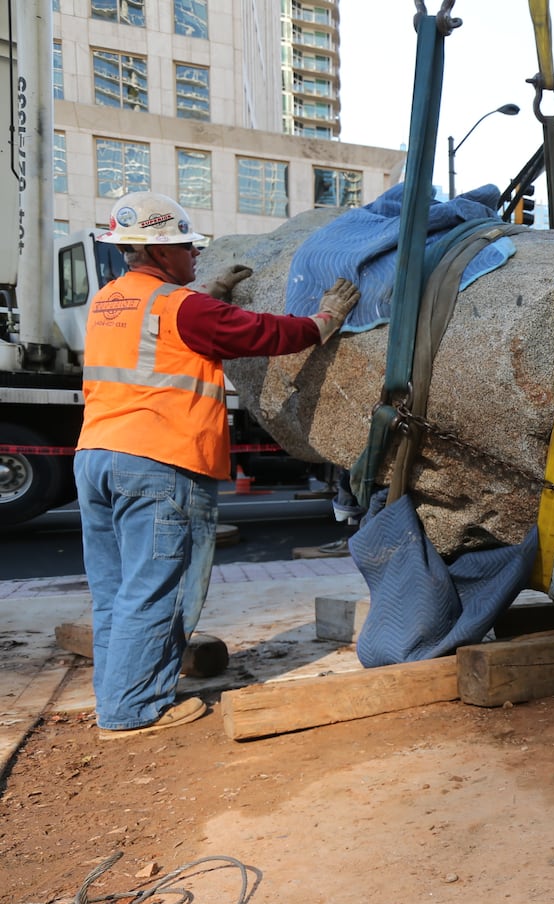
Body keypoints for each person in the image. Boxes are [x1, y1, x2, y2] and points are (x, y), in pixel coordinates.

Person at [75, 191, 360, 737]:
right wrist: (323, 320)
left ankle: (117, 699)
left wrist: (206, 293)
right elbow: (263, 334)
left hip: (96, 457)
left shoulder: (108, 301)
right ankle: (134, 710)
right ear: (160, 253)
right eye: (187, 247)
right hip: (159, 461)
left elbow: (161, 334)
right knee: (157, 589)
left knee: (116, 593)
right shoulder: (185, 308)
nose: (194, 255)